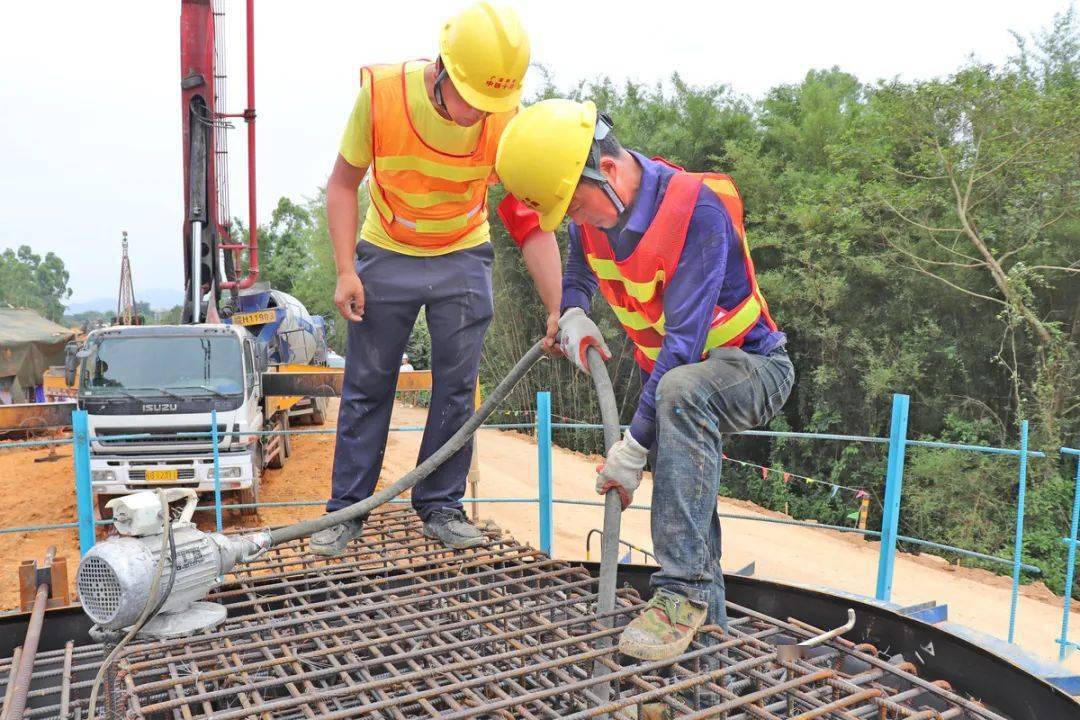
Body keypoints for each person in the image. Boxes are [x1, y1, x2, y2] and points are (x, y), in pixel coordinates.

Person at [495, 99, 794, 660]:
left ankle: (680, 594)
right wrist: (573, 312)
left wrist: (631, 450)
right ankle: (713, 655)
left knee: (681, 394)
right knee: (692, 496)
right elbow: (581, 273)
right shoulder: (596, 215)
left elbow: (681, 350)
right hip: (687, 383)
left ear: (606, 171)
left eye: (578, 209)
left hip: (753, 370)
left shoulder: (696, 211)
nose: (578, 224)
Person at [314, 2, 562, 556]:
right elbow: (341, 184)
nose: (479, 114)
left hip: (461, 253)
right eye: (471, 100)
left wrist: (556, 305)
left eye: (489, 104)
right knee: (368, 385)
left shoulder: (503, 117)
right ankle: (346, 511)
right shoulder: (381, 98)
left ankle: (441, 505)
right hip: (387, 249)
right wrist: (346, 271)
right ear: (443, 70)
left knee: (457, 388)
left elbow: (529, 218)